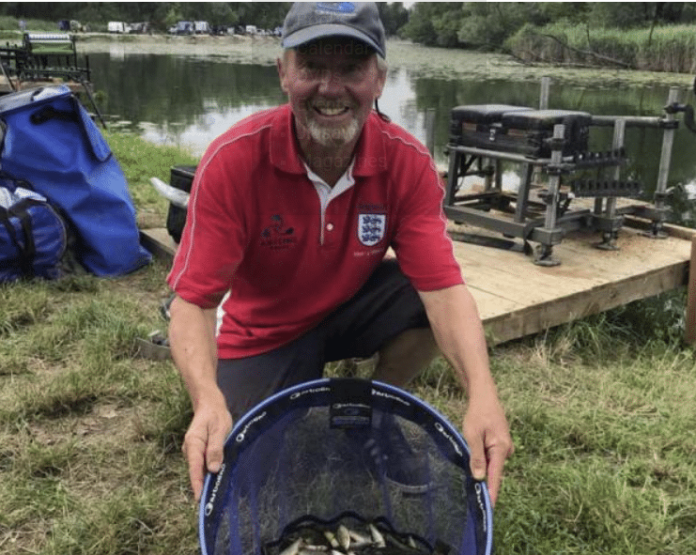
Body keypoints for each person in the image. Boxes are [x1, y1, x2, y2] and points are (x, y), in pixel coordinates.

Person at [167, 2, 513, 505]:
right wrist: (206, 399)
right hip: (265, 329)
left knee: (420, 297)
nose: (331, 88)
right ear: (283, 73)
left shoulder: (408, 163)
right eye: (312, 67)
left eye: (351, 68)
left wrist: (483, 394)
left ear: (379, 79)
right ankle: (250, 397)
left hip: (347, 305)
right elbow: (193, 302)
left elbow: (443, 289)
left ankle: (379, 406)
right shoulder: (232, 160)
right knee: (251, 475)